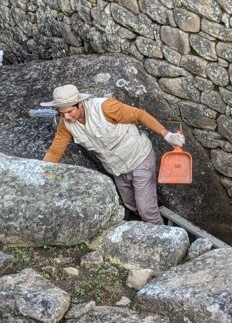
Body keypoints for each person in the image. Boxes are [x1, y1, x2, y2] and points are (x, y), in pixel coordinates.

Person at [41, 84, 184, 225]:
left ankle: (162, 238)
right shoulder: (65, 125)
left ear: (80, 104)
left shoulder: (105, 108)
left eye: (69, 111)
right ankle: (148, 227)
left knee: (146, 210)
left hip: (140, 157)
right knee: (131, 205)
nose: (66, 117)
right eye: (61, 113)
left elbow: (140, 115)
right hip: (116, 169)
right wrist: (41, 173)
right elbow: (55, 150)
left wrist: (167, 135)